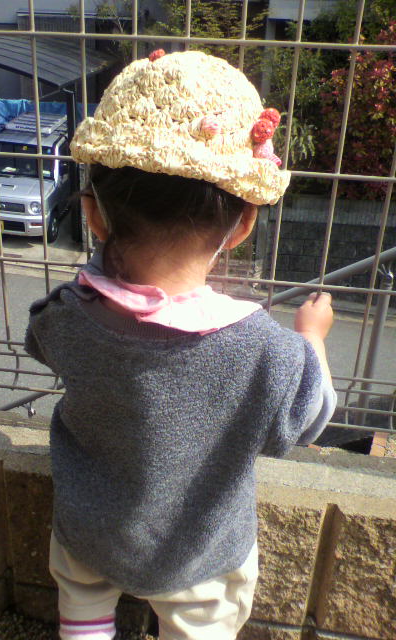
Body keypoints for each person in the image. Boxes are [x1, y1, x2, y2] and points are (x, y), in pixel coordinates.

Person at [25, 50, 336, 640]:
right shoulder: (266, 352)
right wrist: (311, 338)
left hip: (90, 531)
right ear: (243, 225)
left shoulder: (66, 313)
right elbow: (311, 417)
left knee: (82, 610)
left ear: (93, 215)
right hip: (199, 555)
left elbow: (43, 342)